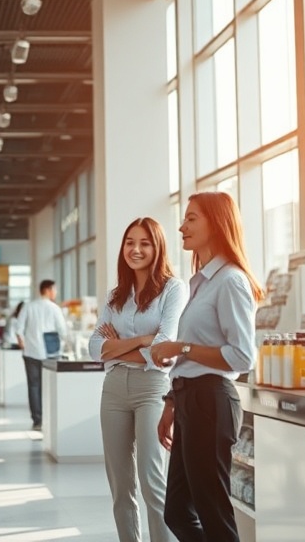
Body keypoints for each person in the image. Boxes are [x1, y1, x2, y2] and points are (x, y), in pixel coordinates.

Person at [150, 193, 265, 542]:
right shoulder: (202, 283)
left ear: (216, 223)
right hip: (190, 400)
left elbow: (242, 356)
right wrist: (172, 403)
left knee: (212, 511)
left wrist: (180, 347)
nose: (182, 227)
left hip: (209, 402)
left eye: (191, 219)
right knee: (177, 511)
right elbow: (193, 358)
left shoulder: (231, 281)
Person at [89, 217, 188, 542]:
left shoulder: (173, 288)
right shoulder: (115, 295)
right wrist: (142, 341)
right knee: (120, 485)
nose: (136, 249)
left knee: (151, 480)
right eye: (130, 242)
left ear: (157, 247)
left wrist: (117, 346)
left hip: (154, 390)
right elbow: (94, 348)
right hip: (114, 389)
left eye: (144, 243)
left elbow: (165, 350)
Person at [15, 279, 67, 431]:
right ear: (49, 290)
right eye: (55, 290)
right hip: (50, 354)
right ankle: (50, 419)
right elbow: (63, 332)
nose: (55, 293)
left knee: (33, 386)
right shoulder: (55, 308)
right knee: (49, 386)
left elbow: (18, 329)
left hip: (31, 352)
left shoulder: (28, 306)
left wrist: (23, 344)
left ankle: (37, 421)